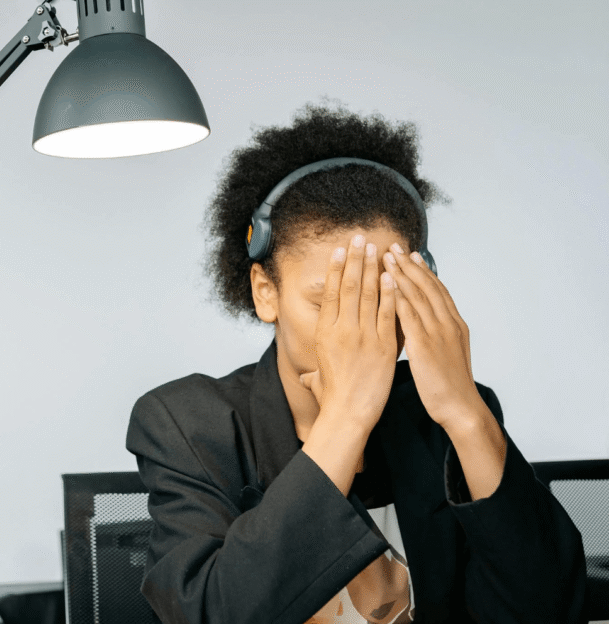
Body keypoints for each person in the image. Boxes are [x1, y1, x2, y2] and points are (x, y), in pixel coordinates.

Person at [124, 102, 588, 624]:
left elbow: (549, 609)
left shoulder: (444, 415)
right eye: (328, 302)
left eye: (380, 298)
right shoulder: (189, 423)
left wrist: (465, 413)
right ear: (265, 292)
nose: (355, 328)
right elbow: (212, 614)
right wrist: (346, 416)